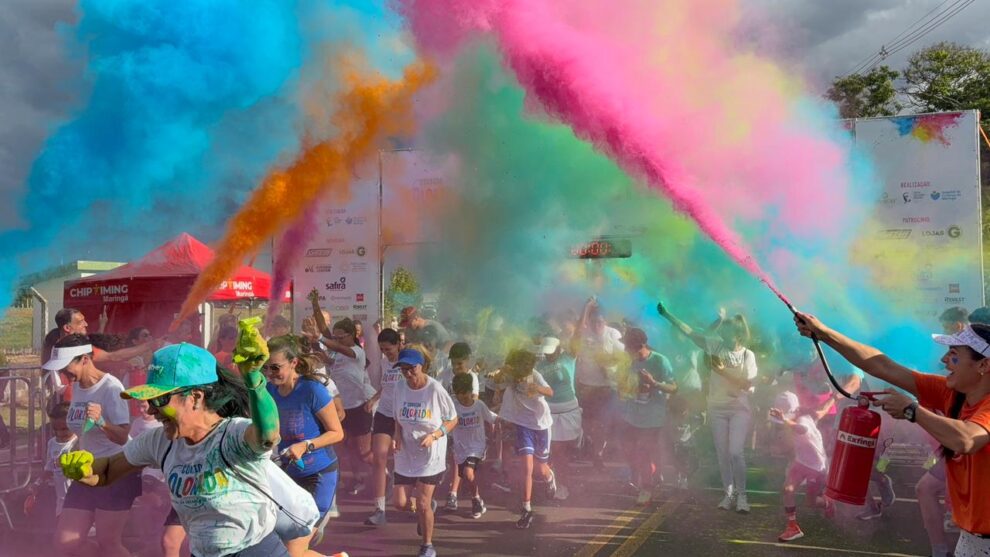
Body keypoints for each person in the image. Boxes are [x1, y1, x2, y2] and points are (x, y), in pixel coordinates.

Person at [57, 331, 291, 557]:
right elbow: (108, 470)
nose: (151, 410)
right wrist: (85, 469)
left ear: (195, 397)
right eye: (149, 399)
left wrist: (254, 381)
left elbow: (268, 434)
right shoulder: (159, 440)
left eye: (160, 399)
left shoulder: (233, 434)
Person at [794, 313, 990, 557]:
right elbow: (881, 365)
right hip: (971, 539)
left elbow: (967, 439)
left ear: (983, 365)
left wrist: (912, 411)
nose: (944, 360)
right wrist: (823, 333)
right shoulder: (953, 393)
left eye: (954, 356)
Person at [43, 334, 138, 557]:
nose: (64, 375)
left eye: (67, 368)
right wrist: (71, 455)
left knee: (109, 543)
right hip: (87, 472)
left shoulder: (111, 387)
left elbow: (123, 436)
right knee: (65, 543)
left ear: (85, 359)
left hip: (116, 471)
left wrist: (102, 422)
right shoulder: (78, 386)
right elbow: (84, 432)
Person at [657, 302, 758, 513]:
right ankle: (728, 494)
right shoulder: (714, 345)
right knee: (722, 453)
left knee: (735, 452)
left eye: (727, 328)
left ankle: (742, 496)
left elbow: (747, 383)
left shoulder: (748, 355)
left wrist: (722, 371)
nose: (722, 330)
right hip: (717, 408)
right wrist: (668, 314)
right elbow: (689, 332)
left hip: (739, 407)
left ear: (737, 333)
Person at [265, 335, 345, 551]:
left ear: (294, 363)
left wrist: (305, 445)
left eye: (275, 367)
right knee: (281, 548)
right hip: (289, 478)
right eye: (266, 368)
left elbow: (337, 433)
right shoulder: (270, 390)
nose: (270, 374)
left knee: (292, 552)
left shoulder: (312, 390)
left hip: (319, 475)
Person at [391, 348, 458, 557]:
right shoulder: (399, 387)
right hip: (406, 452)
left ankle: (427, 545)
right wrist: (397, 437)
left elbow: (453, 419)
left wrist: (435, 435)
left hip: (431, 453)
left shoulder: (435, 390)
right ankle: (426, 509)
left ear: (421, 366)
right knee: (400, 503)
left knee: (422, 502)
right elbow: (397, 418)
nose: (408, 374)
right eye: (403, 370)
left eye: (411, 369)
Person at [310, 290, 374, 496]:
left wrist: (322, 338)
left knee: (364, 452)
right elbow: (324, 330)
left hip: (359, 406)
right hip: (342, 407)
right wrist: (315, 305)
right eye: (335, 335)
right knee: (345, 446)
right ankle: (358, 479)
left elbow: (329, 340)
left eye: (340, 336)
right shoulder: (338, 351)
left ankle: (385, 474)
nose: (336, 338)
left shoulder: (356, 351)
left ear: (351, 335)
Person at [493, 349, 558, 529]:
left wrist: (536, 388)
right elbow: (496, 381)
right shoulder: (511, 374)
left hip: (541, 425)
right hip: (523, 425)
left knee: (540, 469)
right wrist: (501, 371)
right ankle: (526, 508)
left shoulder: (534, 376)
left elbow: (550, 392)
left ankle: (550, 476)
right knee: (526, 468)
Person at [617, 328, 677, 504]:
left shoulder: (659, 361)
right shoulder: (628, 362)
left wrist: (654, 384)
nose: (626, 350)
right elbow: (621, 387)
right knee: (628, 448)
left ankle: (646, 487)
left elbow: (674, 387)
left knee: (643, 450)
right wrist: (631, 388)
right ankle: (650, 474)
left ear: (639, 345)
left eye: (628, 346)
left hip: (653, 417)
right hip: (632, 415)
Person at [769, 391, 828, 542]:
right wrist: (834, 398)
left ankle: (828, 502)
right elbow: (823, 410)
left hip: (816, 468)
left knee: (811, 502)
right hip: (801, 462)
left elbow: (801, 429)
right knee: (787, 489)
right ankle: (792, 527)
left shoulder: (803, 421)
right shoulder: (802, 416)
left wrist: (785, 420)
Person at [571, 298, 624, 468]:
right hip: (586, 386)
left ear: (605, 321)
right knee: (588, 422)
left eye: (600, 322)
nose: (597, 326)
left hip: (606, 388)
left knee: (602, 422)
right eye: (594, 322)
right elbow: (576, 337)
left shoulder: (613, 334)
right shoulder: (585, 333)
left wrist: (606, 364)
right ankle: (593, 444)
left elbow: (623, 357)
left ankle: (598, 453)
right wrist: (585, 309)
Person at [364, 328, 403, 526]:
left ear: (399, 344)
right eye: (382, 349)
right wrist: (374, 398)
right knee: (379, 457)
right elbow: (386, 386)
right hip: (384, 413)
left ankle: (422, 500)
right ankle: (379, 510)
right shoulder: (384, 362)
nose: (386, 353)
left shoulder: (408, 363)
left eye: (389, 349)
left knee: (403, 461)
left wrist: (399, 429)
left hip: (403, 418)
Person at [535, 336, 579, 500]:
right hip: (550, 413)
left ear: (558, 349)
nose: (548, 355)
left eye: (551, 352)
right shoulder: (539, 366)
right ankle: (561, 485)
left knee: (565, 451)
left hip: (570, 411)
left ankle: (560, 479)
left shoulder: (568, 358)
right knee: (557, 451)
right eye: (545, 353)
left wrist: (586, 310)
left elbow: (578, 334)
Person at [449, 373, 497, 518]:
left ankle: (475, 500)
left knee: (468, 473)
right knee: (467, 476)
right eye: (459, 394)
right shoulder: (453, 406)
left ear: (472, 391)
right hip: (460, 447)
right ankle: (477, 498)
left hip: (477, 446)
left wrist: (502, 422)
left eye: (466, 393)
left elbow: (491, 418)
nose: (463, 397)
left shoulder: (479, 405)